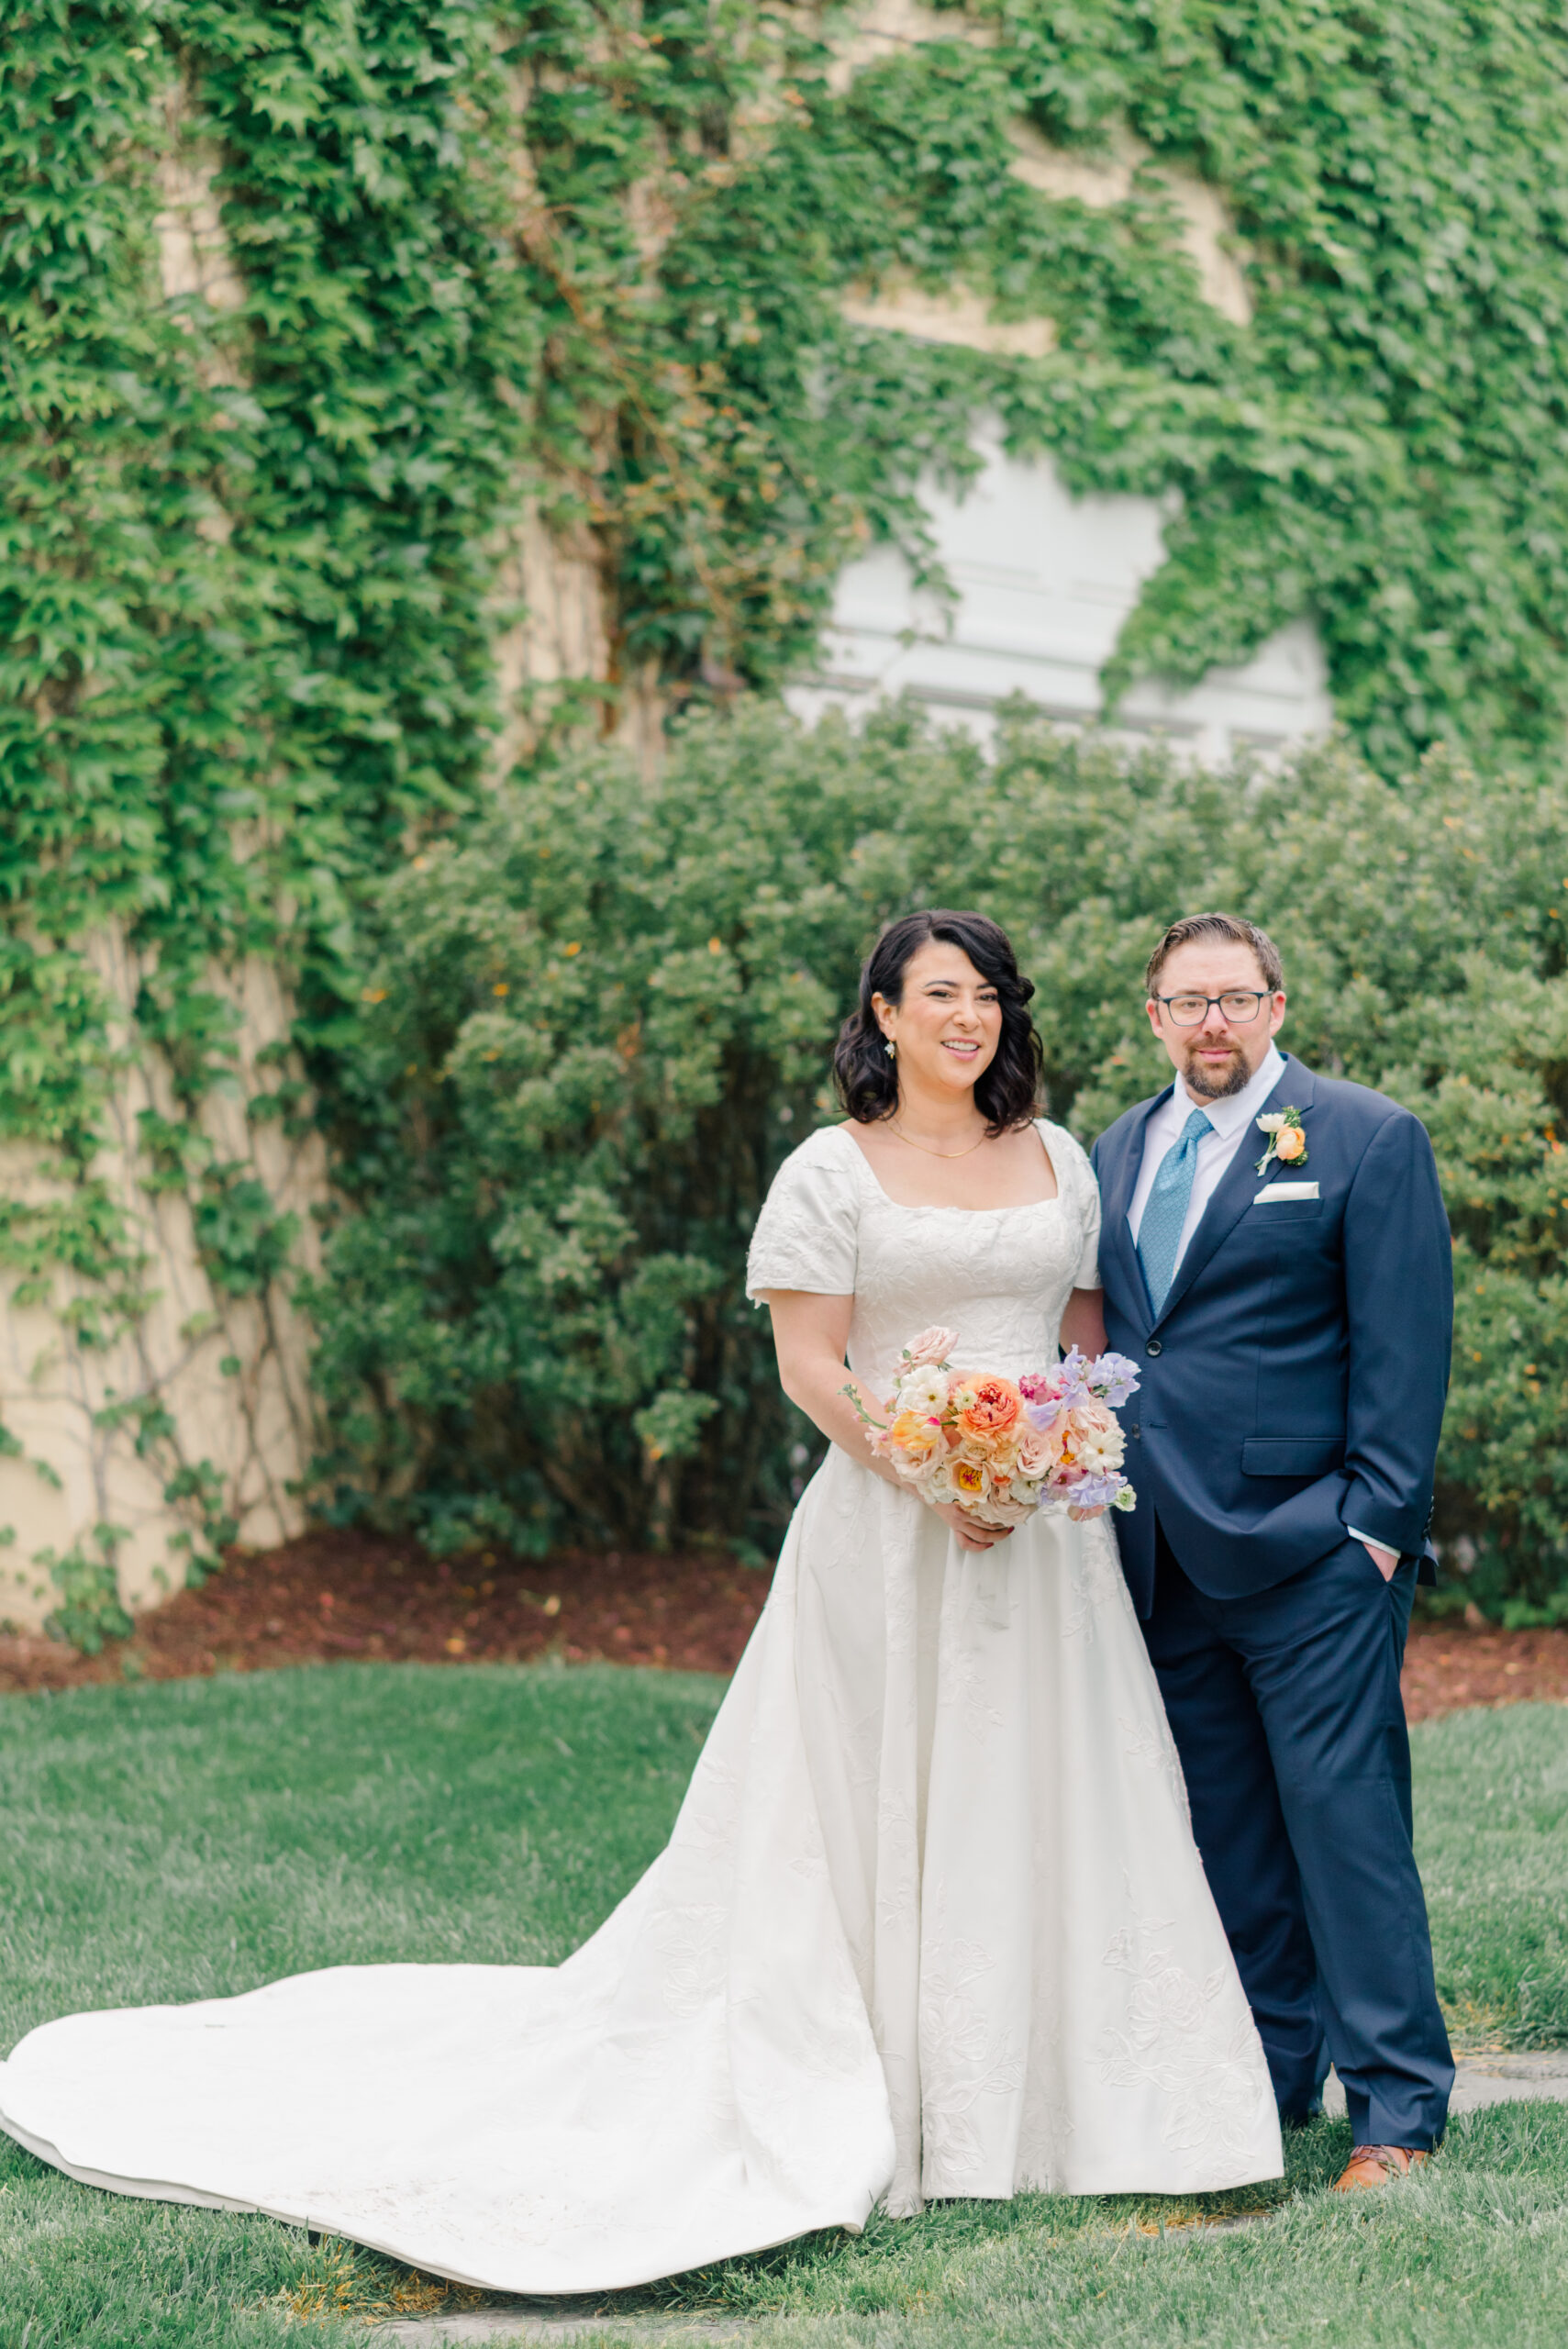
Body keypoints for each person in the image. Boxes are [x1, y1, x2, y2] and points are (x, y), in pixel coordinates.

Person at [0, 910, 1279, 2297]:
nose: (965, 1019)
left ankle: (1066, 2096)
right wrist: (932, 1472)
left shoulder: (1057, 1160)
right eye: (936, 996)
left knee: (1047, 1790)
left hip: (1040, 1538)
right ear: (884, 1016)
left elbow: (1077, 1334)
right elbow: (809, 1365)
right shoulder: (825, 1173)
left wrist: (1039, 1457)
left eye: (983, 996)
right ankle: (889, 2086)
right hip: (888, 1530)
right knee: (868, 1802)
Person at [1091, 911, 1454, 2194]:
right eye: (1186, 1002)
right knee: (1227, 1841)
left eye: (1235, 999)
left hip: (1311, 1552)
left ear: (1276, 1007)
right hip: (1163, 1561)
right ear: (1152, 1017)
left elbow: (1404, 1356)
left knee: (1343, 1828)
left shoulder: (1364, 1137)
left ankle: (1397, 2112)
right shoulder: (1116, 1148)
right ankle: (1263, 2086)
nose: (1211, 1024)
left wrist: (1370, 1532)